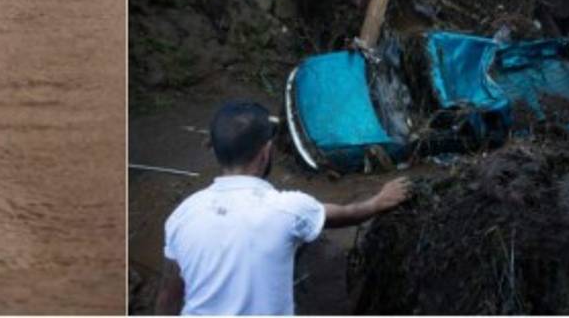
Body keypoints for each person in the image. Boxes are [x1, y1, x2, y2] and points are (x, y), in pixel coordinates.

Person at [155, 101, 411, 316]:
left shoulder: (182, 215)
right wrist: (377, 202)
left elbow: (168, 296)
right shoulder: (289, 209)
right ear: (266, 153)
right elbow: (344, 215)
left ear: (216, 152)